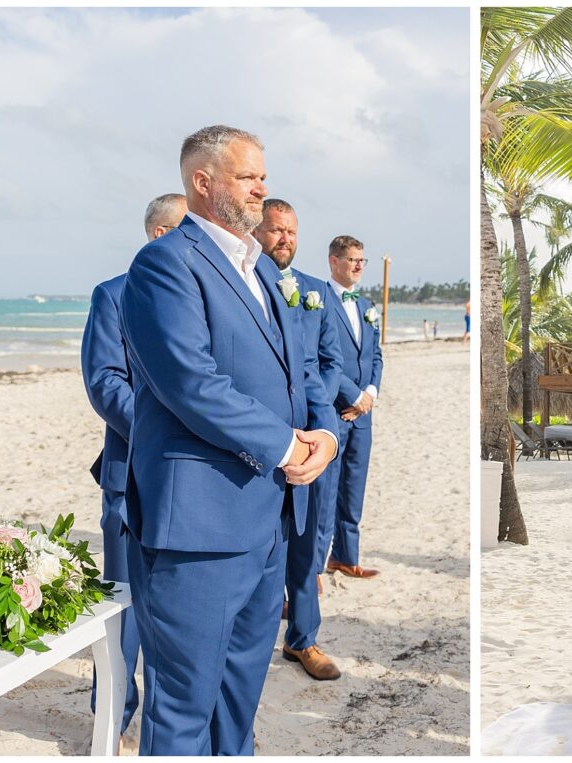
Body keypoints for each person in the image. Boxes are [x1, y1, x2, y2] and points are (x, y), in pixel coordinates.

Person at [119, 125, 339, 755]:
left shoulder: (262, 271)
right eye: (248, 177)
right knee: (184, 701)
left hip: (270, 518)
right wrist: (287, 446)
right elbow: (191, 382)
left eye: (263, 176)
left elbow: (301, 368)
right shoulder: (165, 264)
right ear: (203, 182)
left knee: (241, 694)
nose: (262, 188)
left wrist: (322, 432)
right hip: (201, 525)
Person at [81, 192, 186, 749]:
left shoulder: (202, 300)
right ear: (157, 234)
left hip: (195, 485)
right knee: (122, 610)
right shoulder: (113, 296)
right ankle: (113, 718)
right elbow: (104, 384)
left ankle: (169, 727)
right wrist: (166, 432)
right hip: (130, 474)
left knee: (177, 611)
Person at [253, 198, 344, 681]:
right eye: (275, 230)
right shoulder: (238, 287)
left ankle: (303, 640)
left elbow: (326, 364)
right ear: (256, 231)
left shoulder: (314, 292)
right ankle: (252, 643)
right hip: (260, 441)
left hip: (311, 441)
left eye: (291, 231)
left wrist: (321, 427)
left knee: (307, 547)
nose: (284, 238)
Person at [316, 235, 384, 580]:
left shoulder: (367, 304)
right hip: (335, 411)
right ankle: (314, 567)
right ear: (333, 261)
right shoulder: (318, 300)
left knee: (354, 488)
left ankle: (345, 556)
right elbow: (319, 357)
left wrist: (369, 392)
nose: (358, 266)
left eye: (362, 260)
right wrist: (353, 397)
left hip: (363, 415)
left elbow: (376, 356)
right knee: (326, 493)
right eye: (352, 259)